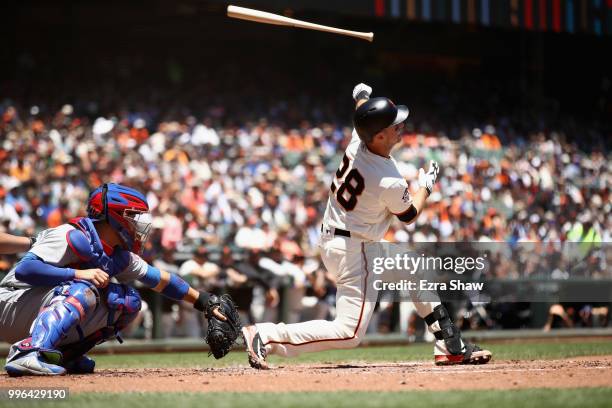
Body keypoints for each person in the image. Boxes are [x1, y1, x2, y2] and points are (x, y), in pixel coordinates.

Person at [240, 83, 492, 369]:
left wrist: (360, 95)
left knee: (416, 270)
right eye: (395, 125)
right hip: (355, 250)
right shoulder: (388, 179)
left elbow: (362, 112)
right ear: (380, 134)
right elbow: (409, 215)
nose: (402, 127)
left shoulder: (359, 138)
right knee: (349, 332)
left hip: (345, 240)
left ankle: (449, 344)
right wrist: (426, 186)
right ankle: (266, 335)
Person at [0, 183, 233, 376]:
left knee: (128, 301)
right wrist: (78, 274)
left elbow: (161, 280)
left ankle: (65, 356)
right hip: (10, 303)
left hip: (32, 311)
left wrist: (204, 301)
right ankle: (29, 352)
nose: (139, 222)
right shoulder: (70, 234)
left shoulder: (117, 253)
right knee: (84, 289)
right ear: (116, 216)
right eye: (133, 215)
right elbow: (25, 270)